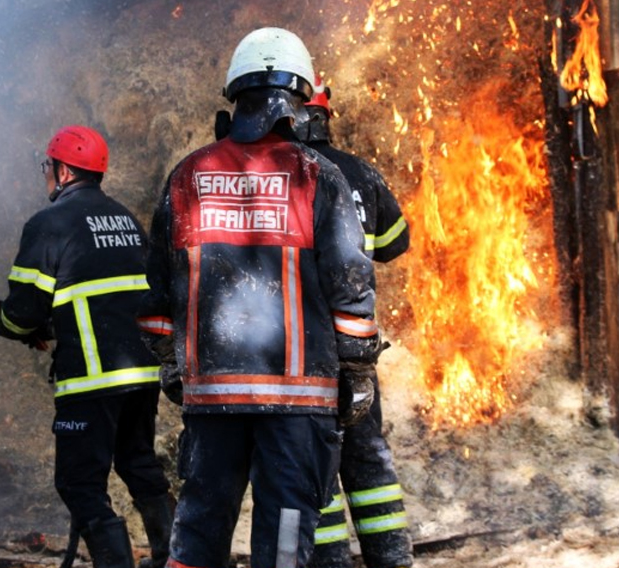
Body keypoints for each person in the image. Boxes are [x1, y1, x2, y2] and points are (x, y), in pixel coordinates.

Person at [138, 28, 381, 568]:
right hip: (296, 409)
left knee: (197, 533)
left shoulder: (187, 176)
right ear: (297, 102)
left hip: (213, 400)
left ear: (234, 96)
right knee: (285, 545)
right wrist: (358, 373)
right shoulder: (317, 175)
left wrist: (173, 365)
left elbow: (156, 293)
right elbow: (350, 285)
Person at [0, 125, 173, 568]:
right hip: (142, 373)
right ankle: (176, 558)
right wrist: (52, 323)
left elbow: (23, 311)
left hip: (93, 380)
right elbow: (103, 294)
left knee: (79, 484)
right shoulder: (124, 218)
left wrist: (3, 320)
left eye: (47, 167)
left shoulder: (49, 224)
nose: (46, 175)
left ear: (64, 170)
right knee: (139, 464)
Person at [298, 78, 413, 568]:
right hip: (357, 346)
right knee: (367, 457)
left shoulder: (288, 173)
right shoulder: (360, 172)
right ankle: (392, 558)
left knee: (312, 463)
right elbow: (394, 243)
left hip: (303, 350)